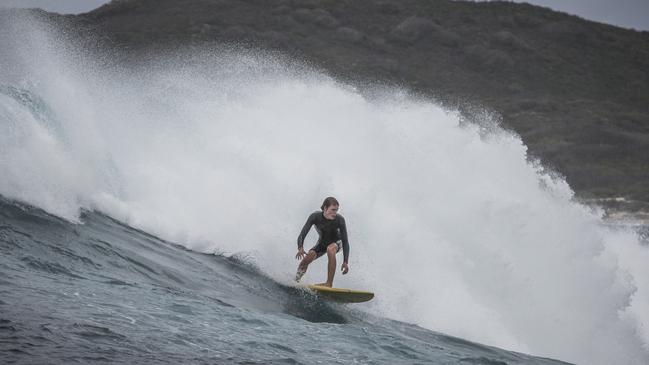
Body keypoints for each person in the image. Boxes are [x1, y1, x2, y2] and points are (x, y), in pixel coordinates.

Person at [294, 197, 350, 287]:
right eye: (333, 210)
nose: (335, 213)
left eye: (336, 210)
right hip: (322, 243)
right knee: (307, 259)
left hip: (337, 243)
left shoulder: (340, 220)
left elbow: (345, 242)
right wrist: (300, 247)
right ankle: (296, 281)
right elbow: (302, 234)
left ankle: (329, 283)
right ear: (325, 208)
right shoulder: (315, 217)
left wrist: (345, 262)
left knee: (330, 249)